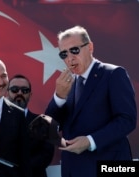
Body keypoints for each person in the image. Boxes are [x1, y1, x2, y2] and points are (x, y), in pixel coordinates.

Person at [45, 26, 137, 177]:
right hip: (72, 169)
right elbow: (50, 127)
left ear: (90, 47)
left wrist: (90, 141)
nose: (70, 58)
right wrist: (59, 97)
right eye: (64, 54)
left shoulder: (113, 74)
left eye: (74, 50)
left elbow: (127, 120)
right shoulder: (67, 83)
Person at [7, 74, 54, 177]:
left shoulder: (44, 122)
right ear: (7, 93)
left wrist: (18, 169)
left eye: (24, 90)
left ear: (30, 94)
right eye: (14, 89)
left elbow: (46, 156)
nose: (19, 93)